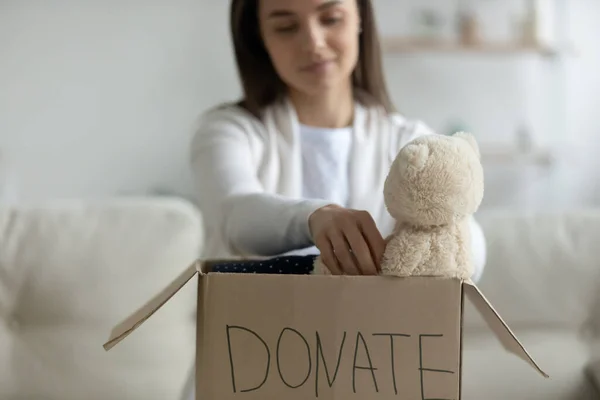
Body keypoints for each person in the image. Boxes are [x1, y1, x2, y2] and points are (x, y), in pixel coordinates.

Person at [189, 0, 487, 278]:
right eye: (286, 27)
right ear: (260, 37)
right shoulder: (227, 130)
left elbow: (472, 252)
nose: (313, 43)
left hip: (378, 331)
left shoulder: (410, 141)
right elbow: (233, 214)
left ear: (360, 17)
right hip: (255, 328)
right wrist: (313, 217)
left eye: (330, 18)